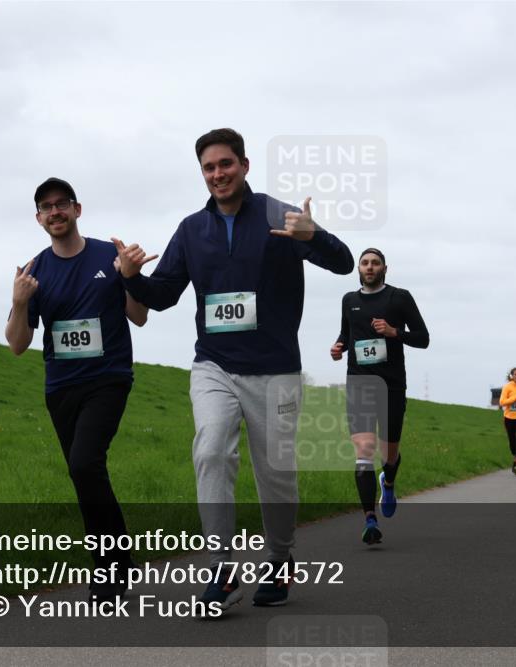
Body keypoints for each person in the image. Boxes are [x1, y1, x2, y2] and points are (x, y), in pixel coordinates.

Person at [119, 129, 354, 608]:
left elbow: (345, 263)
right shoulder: (190, 229)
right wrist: (130, 277)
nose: (218, 174)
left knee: (276, 475)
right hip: (215, 366)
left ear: (244, 165)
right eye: (208, 167)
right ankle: (221, 569)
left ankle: (281, 558)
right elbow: (162, 296)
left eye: (226, 164)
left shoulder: (276, 215)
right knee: (210, 451)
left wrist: (316, 236)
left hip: (275, 370)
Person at [5, 177, 149, 603]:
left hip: (108, 378)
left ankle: (109, 568)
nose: (55, 213)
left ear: (77, 209)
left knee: (86, 464)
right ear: (38, 218)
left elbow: (139, 317)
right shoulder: (34, 271)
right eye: (46, 208)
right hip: (61, 387)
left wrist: (132, 277)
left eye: (61, 205)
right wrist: (18, 302)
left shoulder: (110, 254)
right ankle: (118, 560)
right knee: (83, 475)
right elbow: (17, 344)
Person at [331, 248, 430, 544]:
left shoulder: (399, 297)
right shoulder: (349, 300)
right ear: (358, 269)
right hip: (359, 383)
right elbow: (346, 335)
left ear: (385, 268)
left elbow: (423, 338)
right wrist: (338, 348)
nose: (369, 267)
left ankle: (388, 479)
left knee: (389, 453)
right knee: (363, 449)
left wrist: (393, 331)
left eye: (375, 263)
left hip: (392, 385)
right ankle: (369, 520)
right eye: (365, 263)